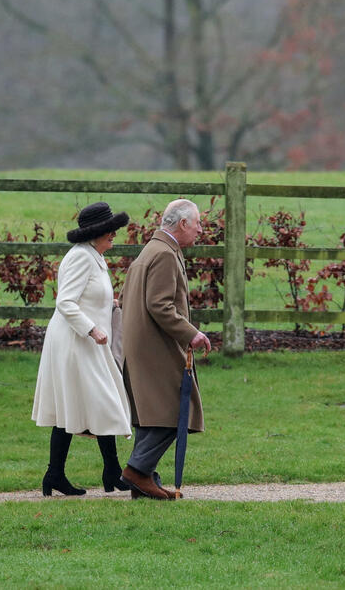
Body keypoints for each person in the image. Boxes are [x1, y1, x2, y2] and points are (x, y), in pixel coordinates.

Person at [32, 202, 132, 496]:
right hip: (77, 341)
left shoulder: (94, 256)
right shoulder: (81, 258)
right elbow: (65, 302)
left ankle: (98, 473)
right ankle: (63, 474)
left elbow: (90, 295)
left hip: (88, 341)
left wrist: (109, 305)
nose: (114, 234)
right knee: (86, 403)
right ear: (96, 233)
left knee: (90, 403)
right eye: (110, 230)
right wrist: (92, 328)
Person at [120, 199, 211, 500]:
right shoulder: (164, 255)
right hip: (155, 347)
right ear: (183, 224)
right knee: (175, 411)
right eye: (197, 222)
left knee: (153, 412)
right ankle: (137, 470)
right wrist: (191, 334)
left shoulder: (152, 249)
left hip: (143, 345)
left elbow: (125, 295)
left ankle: (144, 481)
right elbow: (158, 304)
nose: (201, 229)